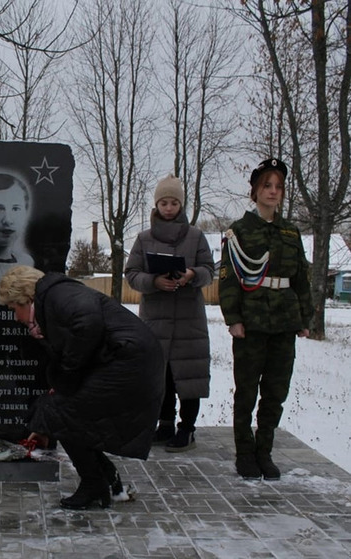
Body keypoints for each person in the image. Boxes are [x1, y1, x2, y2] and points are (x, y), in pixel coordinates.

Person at [0, 266, 165, 509]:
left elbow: (88, 324)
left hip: (129, 363)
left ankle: (95, 485)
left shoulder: (58, 295)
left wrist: (67, 375)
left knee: (61, 412)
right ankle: (106, 480)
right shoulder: (51, 301)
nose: (16, 318)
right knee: (62, 411)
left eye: (14, 309)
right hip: (124, 361)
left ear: (25, 298)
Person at [219, 158, 312, 480]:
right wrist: (233, 318)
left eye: (278, 187)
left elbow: (301, 276)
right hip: (252, 321)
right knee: (246, 391)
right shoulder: (239, 231)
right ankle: (245, 453)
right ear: (255, 191)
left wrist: (305, 316)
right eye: (267, 186)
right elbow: (229, 278)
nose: (273, 192)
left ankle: (264, 451)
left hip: (285, 319)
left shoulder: (291, 232)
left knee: (276, 391)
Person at [125, 174, 214, 453]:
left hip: (189, 320)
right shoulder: (144, 239)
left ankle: (186, 428)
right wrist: (154, 282)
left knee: (188, 377)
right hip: (156, 318)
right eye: (163, 202)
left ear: (181, 205)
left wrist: (191, 274)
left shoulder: (196, 237)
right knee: (160, 375)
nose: (168, 207)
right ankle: (164, 424)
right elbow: (131, 274)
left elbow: (210, 271)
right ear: (156, 204)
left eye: (173, 202)